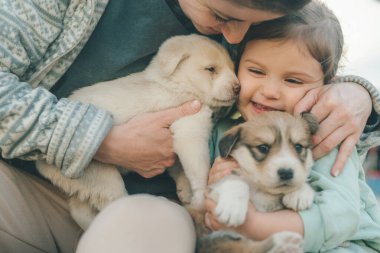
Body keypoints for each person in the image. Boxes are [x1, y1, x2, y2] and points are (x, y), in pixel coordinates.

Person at [0, 0, 378, 252]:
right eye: (223, 17)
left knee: (147, 222)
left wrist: (359, 93)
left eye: (248, 28)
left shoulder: (263, 20)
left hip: (157, 214)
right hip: (38, 182)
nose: (234, 39)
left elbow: (306, 59)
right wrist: (99, 139)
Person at [204, 2, 380, 252]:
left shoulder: (328, 136)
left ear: (326, 86)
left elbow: (342, 215)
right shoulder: (223, 130)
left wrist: (256, 226)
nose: (270, 92)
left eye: (293, 80)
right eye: (256, 71)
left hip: (346, 246)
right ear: (237, 66)